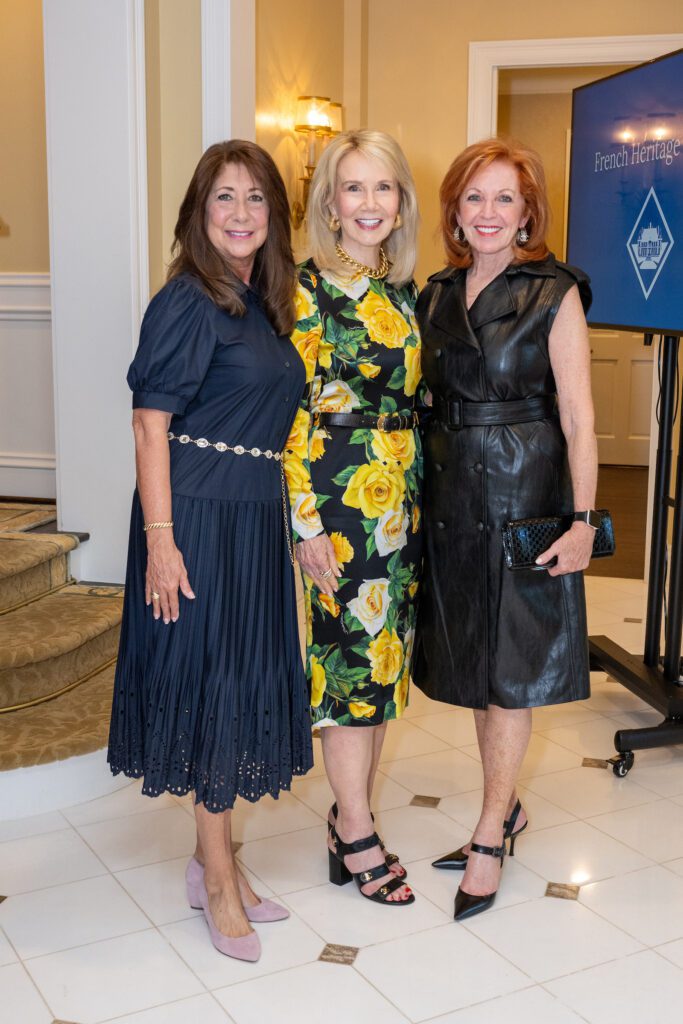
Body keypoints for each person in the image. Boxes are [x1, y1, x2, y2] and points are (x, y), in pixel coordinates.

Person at [108, 140, 313, 962]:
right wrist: (162, 543)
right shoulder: (189, 299)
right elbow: (148, 425)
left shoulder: (256, 302)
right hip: (193, 517)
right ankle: (218, 879)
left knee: (237, 678)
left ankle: (212, 859)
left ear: (275, 216)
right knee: (212, 686)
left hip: (251, 517)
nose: (239, 214)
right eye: (223, 198)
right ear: (199, 210)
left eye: (256, 199)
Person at [414, 137, 597, 922]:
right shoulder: (431, 293)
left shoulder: (552, 290)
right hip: (450, 491)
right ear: (455, 209)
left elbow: (580, 416)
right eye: (473, 198)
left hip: (526, 489)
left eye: (504, 199)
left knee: (512, 665)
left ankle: (490, 832)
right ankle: (506, 807)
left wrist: (585, 520)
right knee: (474, 660)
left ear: (528, 214)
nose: (487, 213)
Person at [284, 129, 423, 906]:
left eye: (383, 188)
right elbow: (288, 416)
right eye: (353, 188)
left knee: (379, 665)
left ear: (399, 202)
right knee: (347, 666)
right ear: (329, 204)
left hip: (400, 500)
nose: (369, 204)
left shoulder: (402, 290)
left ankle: (347, 817)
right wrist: (305, 524)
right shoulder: (302, 291)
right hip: (339, 501)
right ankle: (358, 829)